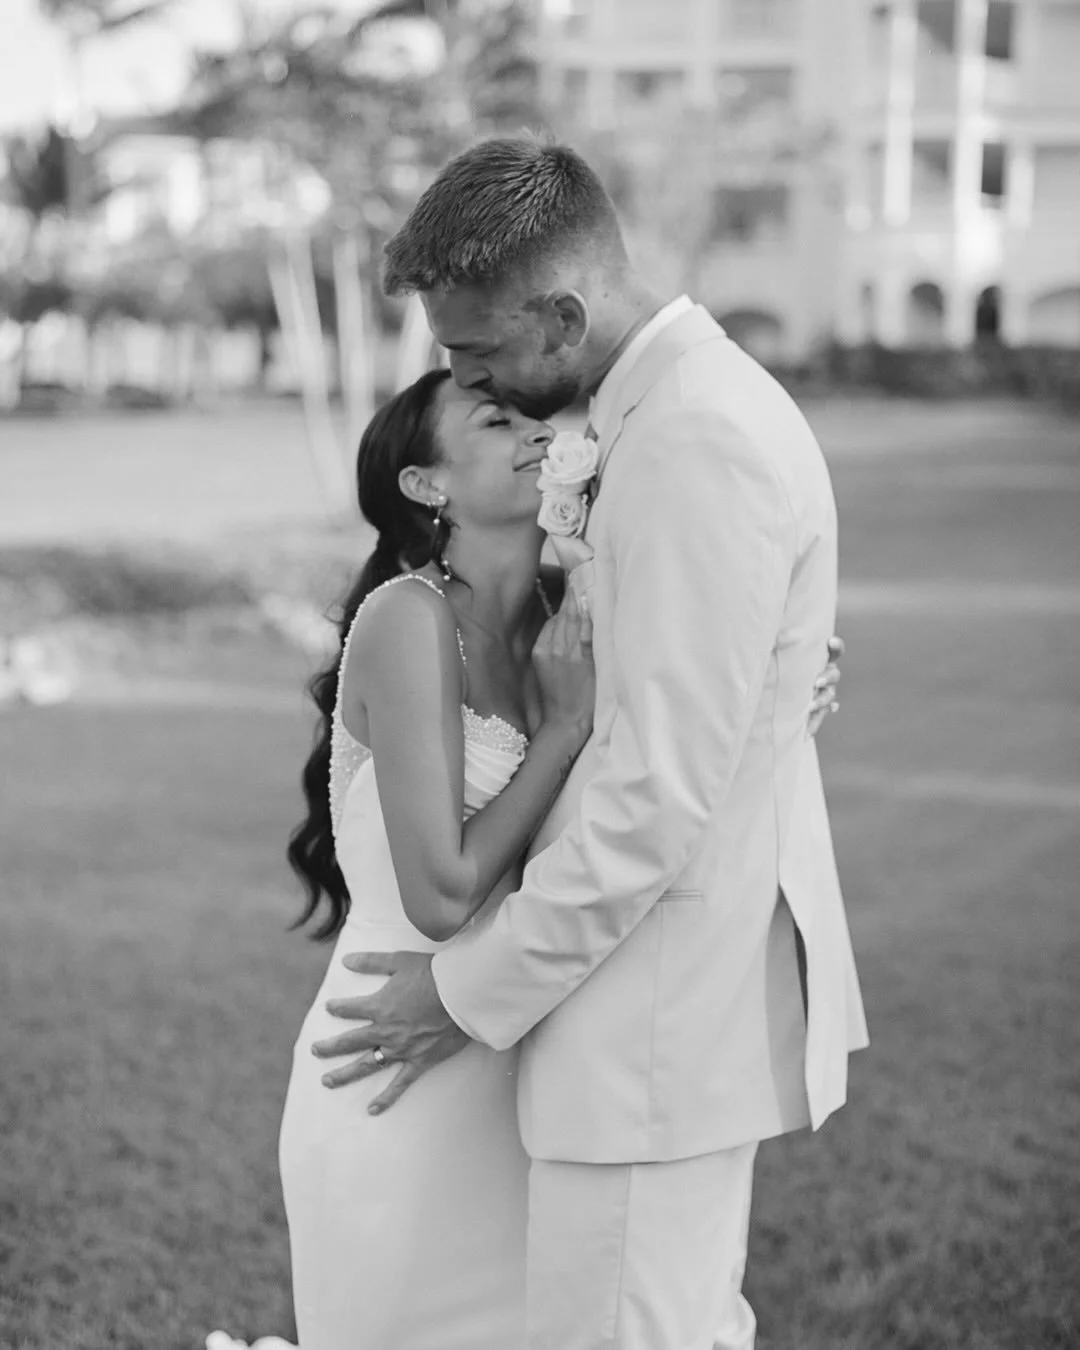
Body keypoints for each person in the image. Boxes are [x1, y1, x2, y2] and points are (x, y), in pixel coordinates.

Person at [310, 136, 868, 1350]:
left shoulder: (691, 439)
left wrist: (459, 996)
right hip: (608, 1037)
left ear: (562, 314)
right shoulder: (657, 421)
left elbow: (651, 805)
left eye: (479, 352)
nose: (470, 378)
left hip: (647, 1034)